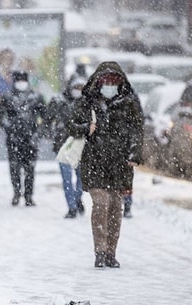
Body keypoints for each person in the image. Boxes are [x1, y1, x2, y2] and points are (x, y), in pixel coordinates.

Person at [67, 61, 143, 268]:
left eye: (114, 82)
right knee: (101, 204)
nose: (110, 86)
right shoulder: (86, 102)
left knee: (116, 208)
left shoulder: (129, 103)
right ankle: (99, 251)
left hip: (119, 164)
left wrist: (134, 153)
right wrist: (86, 128)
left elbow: (137, 130)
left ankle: (111, 252)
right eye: (106, 82)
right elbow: (71, 125)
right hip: (94, 162)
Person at [0, 70, 46, 207]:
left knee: (30, 169)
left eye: (23, 80)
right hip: (14, 139)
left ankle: (29, 195)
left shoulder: (36, 96)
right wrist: (8, 127)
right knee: (15, 168)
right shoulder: (8, 96)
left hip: (31, 138)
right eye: (19, 80)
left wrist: (38, 133)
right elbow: (0, 115)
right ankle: (17, 193)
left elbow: (45, 117)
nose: (21, 83)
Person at [46, 76, 86, 218]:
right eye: (76, 88)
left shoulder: (88, 103)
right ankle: (72, 207)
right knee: (67, 179)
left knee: (82, 178)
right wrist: (50, 133)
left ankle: (77, 198)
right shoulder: (58, 101)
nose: (78, 91)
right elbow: (47, 119)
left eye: (81, 88)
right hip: (63, 145)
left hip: (82, 146)